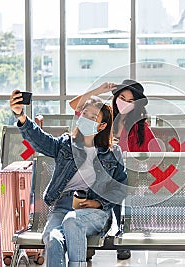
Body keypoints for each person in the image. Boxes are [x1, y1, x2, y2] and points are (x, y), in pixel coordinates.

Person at [10, 90, 127, 267]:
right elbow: (41, 140)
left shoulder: (112, 153)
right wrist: (21, 116)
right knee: (53, 238)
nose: (86, 118)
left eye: (93, 116)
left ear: (102, 126)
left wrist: (99, 203)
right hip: (62, 206)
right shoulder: (66, 144)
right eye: (85, 114)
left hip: (95, 211)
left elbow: (121, 187)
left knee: (73, 220)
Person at [70, 79, 161, 260]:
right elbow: (74, 105)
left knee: (122, 185)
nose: (125, 103)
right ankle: (96, 232)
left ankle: (121, 233)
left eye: (130, 101)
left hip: (125, 179)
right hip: (98, 176)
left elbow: (154, 156)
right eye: (122, 97)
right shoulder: (105, 117)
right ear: (115, 97)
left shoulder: (140, 127)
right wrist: (99, 89)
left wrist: (139, 169)